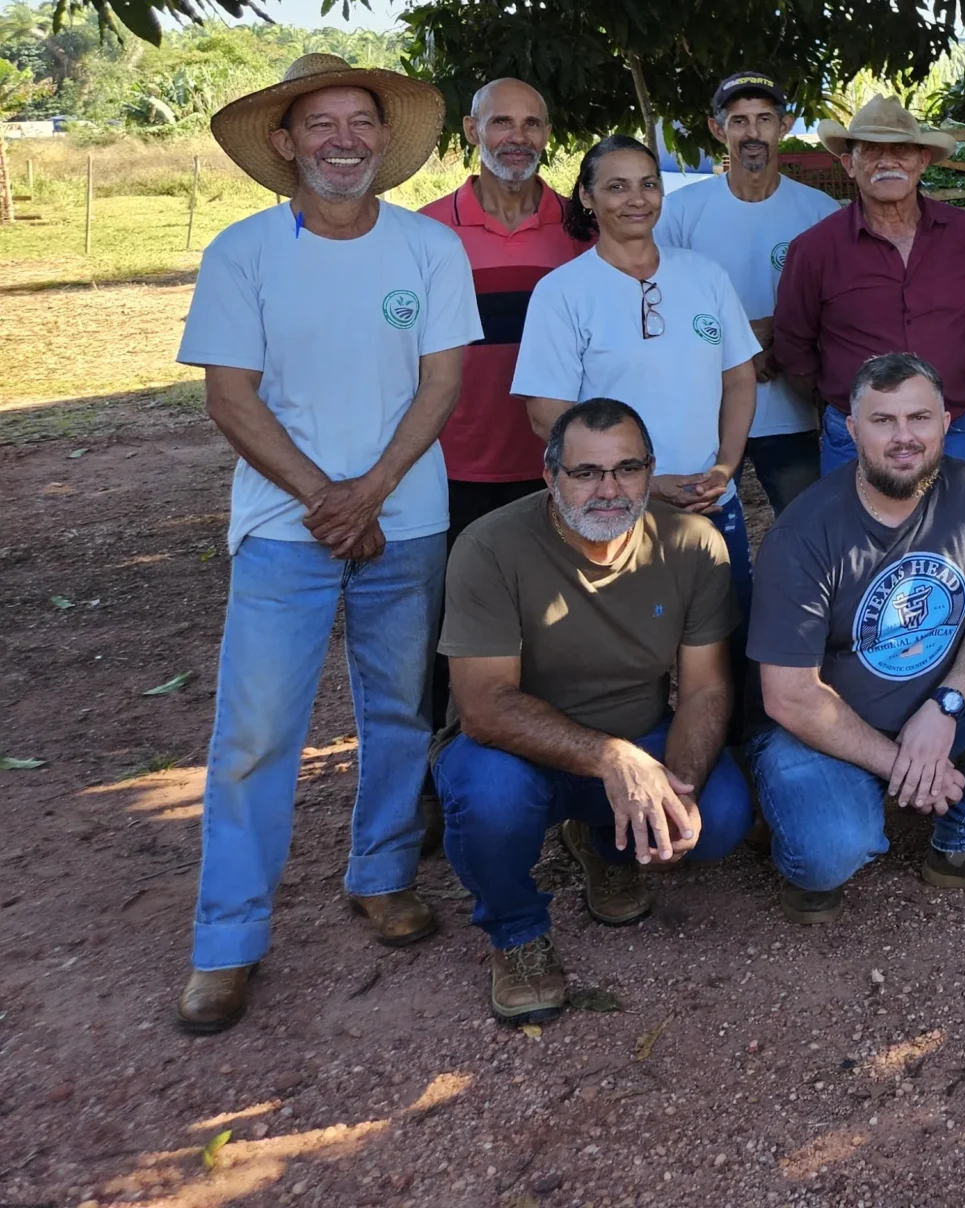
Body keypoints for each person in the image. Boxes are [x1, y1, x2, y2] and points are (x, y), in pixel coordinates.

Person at [172, 53, 478, 1034]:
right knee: (257, 736)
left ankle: (382, 875)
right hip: (281, 531)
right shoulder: (244, 252)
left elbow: (441, 385)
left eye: (360, 122)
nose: (343, 140)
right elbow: (230, 395)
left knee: (396, 716)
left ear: (384, 139)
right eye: (321, 124)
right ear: (286, 141)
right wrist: (324, 498)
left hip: (408, 520)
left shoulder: (427, 253)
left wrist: (374, 492)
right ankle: (227, 938)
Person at [435, 398, 751, 1023]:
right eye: (586, 473)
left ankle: (607, 846)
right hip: (518, 752)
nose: (609, 489)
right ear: (551, 476)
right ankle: (517, 933)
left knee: (718, 815)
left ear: (650, 471)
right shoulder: (491, 547)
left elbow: (707, 689)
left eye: (627, 469)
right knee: (487, 800)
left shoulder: (693, 544)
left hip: (640, 734)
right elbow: (483, 707)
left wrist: (678, 786)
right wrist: (610, 758)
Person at [749, 354, 965, 916]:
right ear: (852, 431)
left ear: (946, 423)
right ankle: (798, 824)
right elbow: (789, 695)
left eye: (919, 418)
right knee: (829, 858)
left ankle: (962, 842)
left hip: (931, 707)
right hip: (821, 730)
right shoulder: (802, 533)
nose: (905, 437)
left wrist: (944, 708)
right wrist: (899, 763)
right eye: (883, 421)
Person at [512, 136, 760, 602]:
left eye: (648, 184)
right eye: (617, 187)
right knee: (629, 660)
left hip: (711, 504)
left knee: (727, 644)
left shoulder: (706, 276)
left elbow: (739, 379)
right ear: (587, 197)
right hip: (613, 513)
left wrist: (724, 467)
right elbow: (547, 415)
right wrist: (644, 483)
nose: (636, 199)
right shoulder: (562, 292)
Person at [418, 77, 580, 739]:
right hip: (450, 466)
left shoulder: (579, 229)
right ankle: (424, 785)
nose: (518, 137)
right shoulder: (426, 232)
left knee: (557, 629)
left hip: (554, 467)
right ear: (470, 129)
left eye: (532, 123)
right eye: (502, 122)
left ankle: (560, 776)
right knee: (439, 629)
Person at [771, 96, 965, 474]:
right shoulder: (814, 249)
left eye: (902, 151)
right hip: (856, 434)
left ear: (922, 161)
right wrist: (842, 396)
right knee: (855, 533)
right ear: (849, 164)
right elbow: (794, 347)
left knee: (953, 532)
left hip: (952, 424)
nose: (888, 162)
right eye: (872, 151)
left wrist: (958, 383)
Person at [660, 71, 839, 516]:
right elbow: (662, 303)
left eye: (764, 118)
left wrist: (779, 337)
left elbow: (834, 307)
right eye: (738, 121)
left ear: (785, 125)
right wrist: (743, 346)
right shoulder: (680, 212)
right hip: (706, 412)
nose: (752, 132)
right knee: (701, 541)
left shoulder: (819, 212)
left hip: (792, 409)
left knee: (806, 530)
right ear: (717, 129)